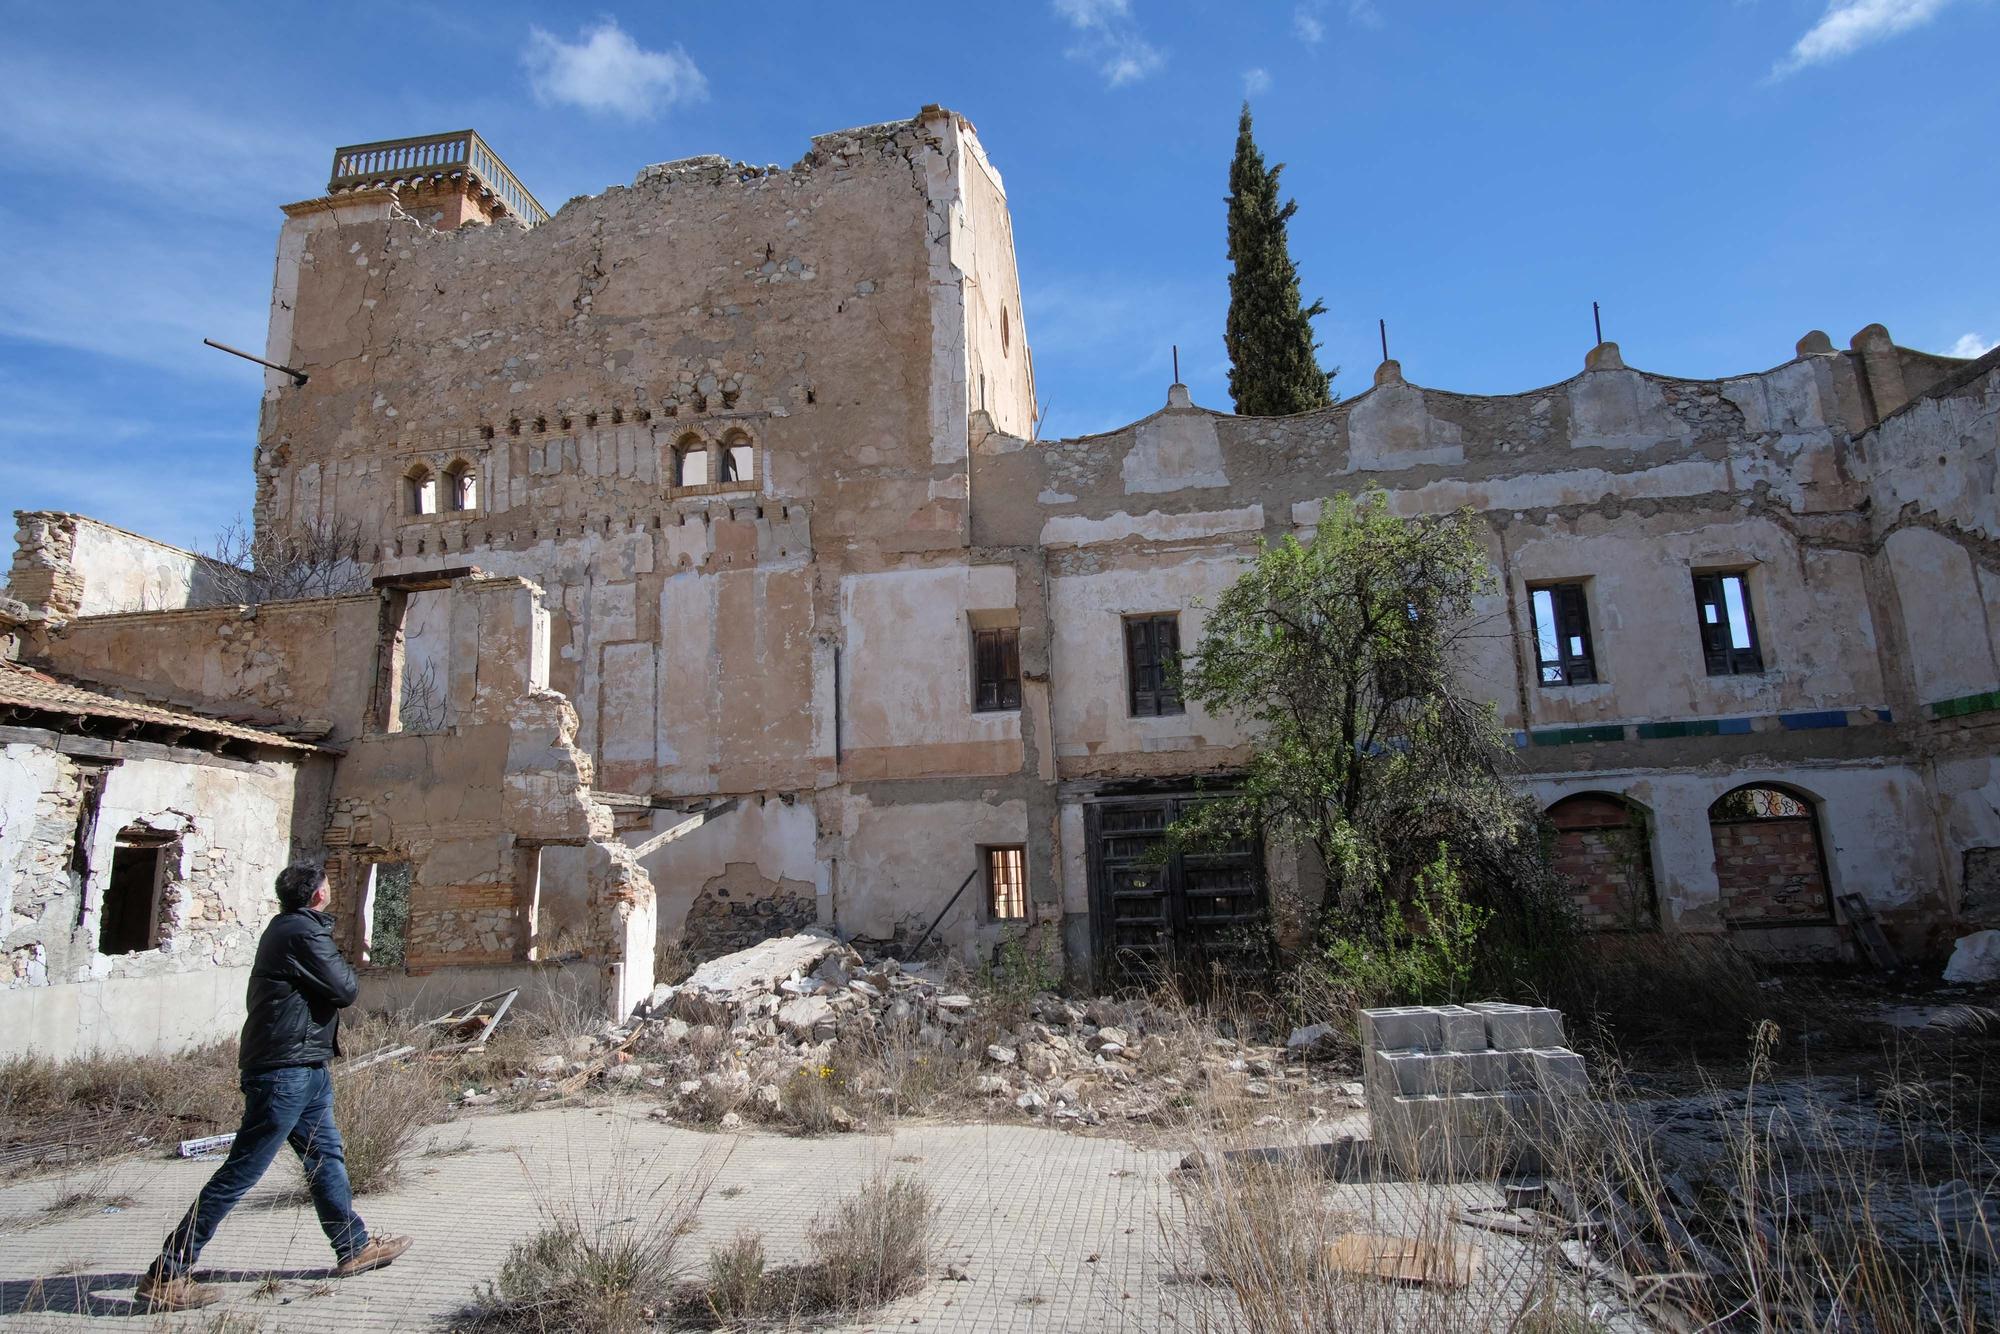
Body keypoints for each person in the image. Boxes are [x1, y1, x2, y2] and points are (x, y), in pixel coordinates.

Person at [136, 862, 411, 1312]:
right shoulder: (302, 932)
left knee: (326, 1158)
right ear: (317, 895)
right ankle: (167, 1273)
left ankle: (353, 1246)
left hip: (305, 1065)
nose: (331, 890)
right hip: (285, 1070)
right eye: (328, 885)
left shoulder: (293, 928)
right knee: (242, 1171)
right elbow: (345, 988)